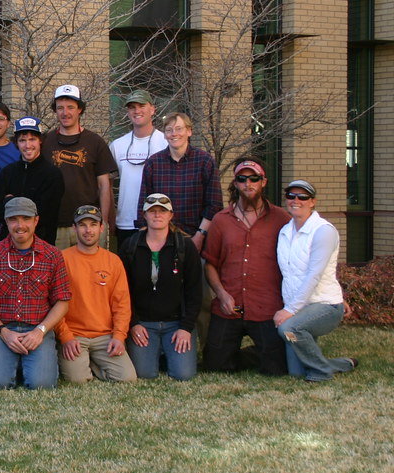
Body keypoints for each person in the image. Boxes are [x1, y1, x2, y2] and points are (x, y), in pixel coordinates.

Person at [202, 158, 290, 375]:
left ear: (263, 182)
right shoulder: (221, 220)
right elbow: (210, 263)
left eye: (254, 178)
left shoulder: (281, 219)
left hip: (265, 308)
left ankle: (259, 352)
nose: (248, 184)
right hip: (233, 308)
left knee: (276, 368)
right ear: (235, 183)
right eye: (242, 179)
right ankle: (234, 354)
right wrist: (221, 294)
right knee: (215, 367)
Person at [0, 197, 70, 389]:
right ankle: (10, 363)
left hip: (38, 329)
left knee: (42, 385)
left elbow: (62, 301)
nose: (20, 225)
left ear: (36, 220)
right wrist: (3, 332)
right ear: (6, 222)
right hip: (3, 329)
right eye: (13, 219)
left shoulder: (52, 255)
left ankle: (27, 365)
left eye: (26, 218)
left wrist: (40, 331)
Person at [275, 180, 358, 382]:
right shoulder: (285, 231)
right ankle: (342, 364)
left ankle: (322, 372)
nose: (296, 201)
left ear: (313, 202)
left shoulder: (323, 231)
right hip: (299, 308)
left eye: (302, 197)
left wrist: (289, 310)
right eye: (291, 196)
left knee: (288, 329)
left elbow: (315, 274)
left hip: (324, 306)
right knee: (296, 371)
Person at [119, 194, 201, 381]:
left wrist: (186, 328)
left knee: (184, 374)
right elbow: (122, 292)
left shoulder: (185, 246)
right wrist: (133, 324)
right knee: (144, 374)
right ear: (144, 215)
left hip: (176, 324)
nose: (157, 215)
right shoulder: (130, 246)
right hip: (143, 324)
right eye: (152, 211)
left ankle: (167, 352)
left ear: (171, 215)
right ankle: (157, 352)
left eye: (162, 211)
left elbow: (194, 291)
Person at [55, 205, 137, 384]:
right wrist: (66, 337)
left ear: (101, 228)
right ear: (74, 228)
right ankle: (82, 362)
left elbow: (122, 304)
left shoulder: (113, 261)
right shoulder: (62, 259)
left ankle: (91, 362)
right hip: (74, 336)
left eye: (93, 224)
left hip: (105, 336)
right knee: (77, 380)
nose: (88, 230)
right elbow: (54, 303)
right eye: (82, 225)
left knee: (127, 378)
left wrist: (118, 336)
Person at [41, 84, 115, 249]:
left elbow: (104, 186)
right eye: (60, 108)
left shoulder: (95, 142)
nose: (65, 112)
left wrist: (102, 222)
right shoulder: (45, 142)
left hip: (88, 224)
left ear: (79, 109)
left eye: (70, 107)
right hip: (55, 225)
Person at [137, 112, 222, 251]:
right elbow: (144, 203)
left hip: (196, 237)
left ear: (189, 131)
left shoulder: (205, 162)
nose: (174, 134)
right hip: (161, 240)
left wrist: (200, 237)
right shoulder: (153, 163)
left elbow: (214, 205)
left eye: (179, 129)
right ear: (164, 134)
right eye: (169, 130)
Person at [0, 116, 64, 244]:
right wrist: (29, 206)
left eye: (32, 139)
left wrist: (9, 201)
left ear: (40, 141)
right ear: (16, 143)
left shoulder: (53, 175)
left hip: (41, 246)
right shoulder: (7, 173)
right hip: (9, 245)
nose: (28, 145)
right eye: (22, 140)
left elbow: (45, 215)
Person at [109, 89, 167, 243]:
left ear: (152, 109)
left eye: (142, 106)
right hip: (126, 223)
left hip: (158, 222)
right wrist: (111, 217)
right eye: (132, 107)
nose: (137, 111)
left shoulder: (165, 142)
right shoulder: (117, 145)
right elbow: (107, 184)